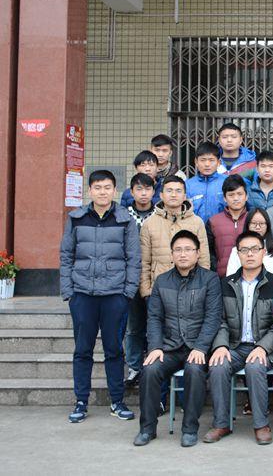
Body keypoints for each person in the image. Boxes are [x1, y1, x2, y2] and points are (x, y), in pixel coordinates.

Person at [60, 170, 141, 424]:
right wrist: (69, 292)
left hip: (115, 295)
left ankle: (117, 401)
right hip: (82, 294)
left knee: (114, 350)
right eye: (97, 187)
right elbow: (66, 256)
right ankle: (81, 402)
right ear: (90, 191)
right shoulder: (76, 218)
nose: (102, 192)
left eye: (107, 187)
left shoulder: (125, 219)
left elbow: (134, 259)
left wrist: (127, 293)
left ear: (115, 190)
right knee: (82, 350)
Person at [134, 231, 222, 447]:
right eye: (178, 250)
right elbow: (154, 318)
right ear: (172, 254)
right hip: (170, 347)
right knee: (150, 369)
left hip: (197, 347)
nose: (183, 254)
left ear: (198, 253)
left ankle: (190, 429)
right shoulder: (162, 281)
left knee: (194, 370)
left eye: (188, 249)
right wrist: (155, 347)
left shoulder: (210, 279)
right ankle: (147, 429)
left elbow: (213, 317)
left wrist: (201, 347)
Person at [204, 231, 273, 445]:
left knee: (255, 366)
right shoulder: (225, 284)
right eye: (244, 250)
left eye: (255, 249)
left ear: (263, 252)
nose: (250, 254)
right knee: (218, 365)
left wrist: (262, 347)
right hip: (235, 346)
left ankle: (261, 425)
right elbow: (220, 320)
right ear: (237, 254)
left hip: (266, 348)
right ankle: (221, 424)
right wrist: (221, 346)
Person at [139, 176, 211, 300]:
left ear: (184, 196)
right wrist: (146, 291)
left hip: (191, 289)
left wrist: (202, 287)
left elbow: (204, 259)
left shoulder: (197, 222)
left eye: (178, 191)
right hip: (158, 289)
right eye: (169, 191)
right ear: (161, 195)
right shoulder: (149, 223)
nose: (173, 195)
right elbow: (144, 261)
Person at [123, 173, 157, 385]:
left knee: (155, 326)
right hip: (132, 278)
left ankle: (154, 367)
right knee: (134, 327)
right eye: (139, 189)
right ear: (132, 192)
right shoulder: (123, 215)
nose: (143, 193)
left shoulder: (160, 214)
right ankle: (134, 367)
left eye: (147, 189)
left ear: (154, 191)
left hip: (155, 279)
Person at [207, 175, 249, 279]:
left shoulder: (254, 219)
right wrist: (215, 270)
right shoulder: (213, 221)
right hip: (222, 278)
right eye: (231, 195)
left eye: (239, 194)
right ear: (224, 198)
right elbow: (208, 252)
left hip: (250, 276)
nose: (236, 198)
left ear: (246, 196)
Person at [226, 208, 273, 278]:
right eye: (254, 223)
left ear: (267, 225)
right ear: (247, 225)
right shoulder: (237, 250)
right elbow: (231, 277)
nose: (258, 227)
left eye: (262, 223)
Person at [185, 141, 226, 223]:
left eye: (211, 160)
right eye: (203, 160)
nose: (207, 164)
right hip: (194, 228)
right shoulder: (188, 185)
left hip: (221, 228)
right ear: (196, 162)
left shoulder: (227, 182)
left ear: (219, 162)